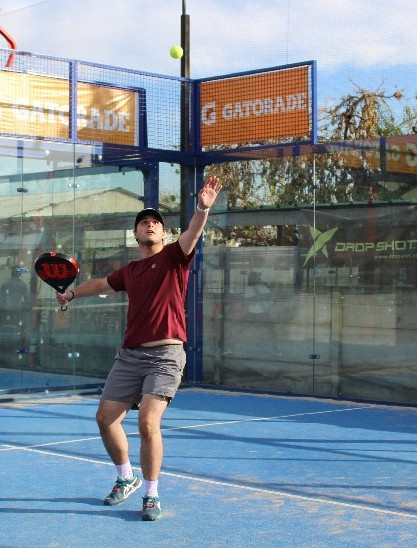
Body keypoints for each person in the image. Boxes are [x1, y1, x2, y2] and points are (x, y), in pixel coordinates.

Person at [56, 175, 222, 521]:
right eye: (144, 222)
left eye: (155, 223)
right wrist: (71, 293)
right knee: (105, 419)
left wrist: (202, 209)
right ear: (136, 234)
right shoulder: (130, 271)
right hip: (130, 355)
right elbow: (100, 284)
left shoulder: (176, 256)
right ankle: (126, 477)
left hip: (165, 356)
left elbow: (193, 232)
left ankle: (151, 494)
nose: (150, 225)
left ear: (164, 233)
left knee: (148, 422)